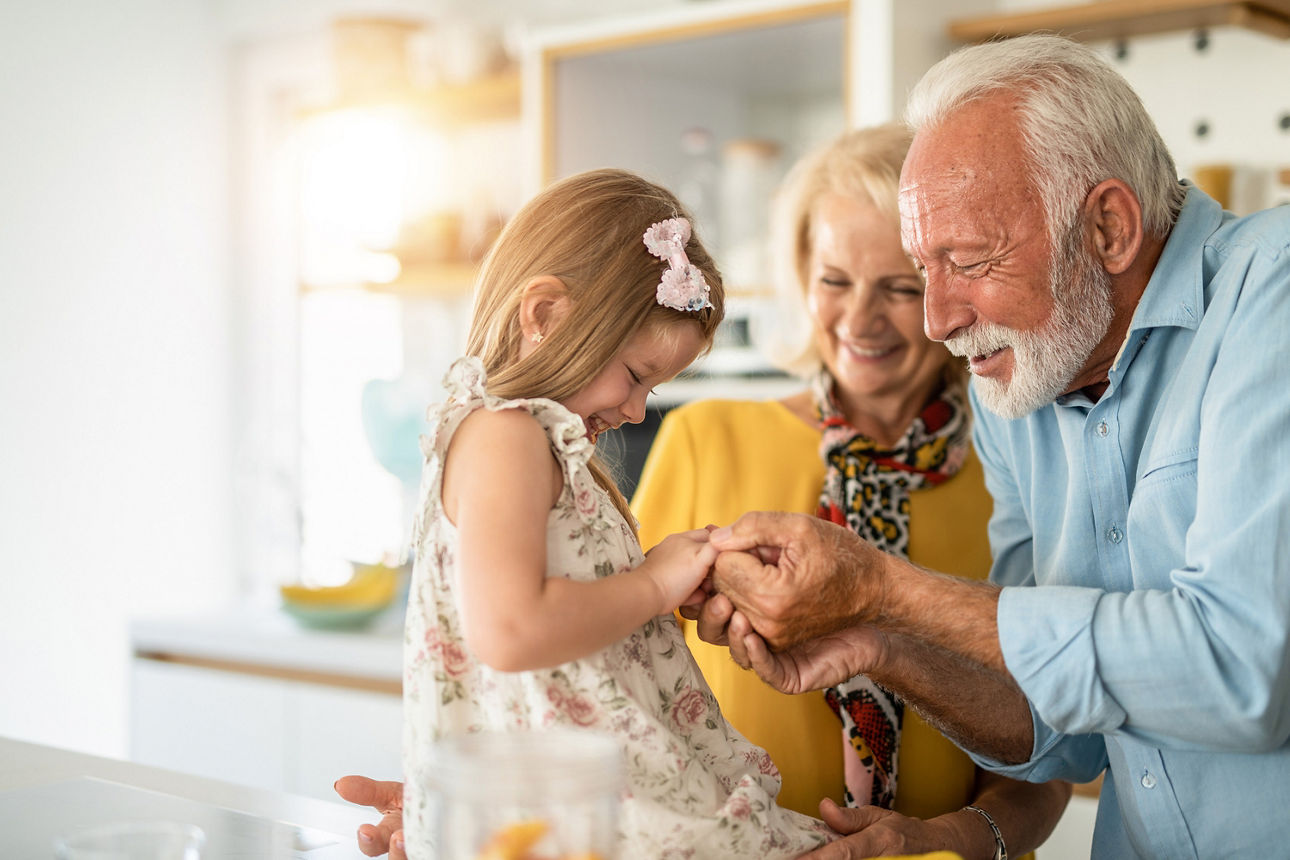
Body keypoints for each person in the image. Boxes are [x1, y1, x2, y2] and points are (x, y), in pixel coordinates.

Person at [696, 33, 1290, 860]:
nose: (938, 319)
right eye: (922, 270)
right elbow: (1056, 731)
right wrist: (876, 642)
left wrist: (886, 588)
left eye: (966, 262)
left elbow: (1245, 672)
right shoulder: (1018, 387)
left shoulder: (1274, 292)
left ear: (1109, 227)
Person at [342, 168, 836, 860]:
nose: (637, 410)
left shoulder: (544, 448)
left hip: (555, 807)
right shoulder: (503, 435)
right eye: (636, 376)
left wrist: (665, 589)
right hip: (568, 805)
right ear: (543, 316)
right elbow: (512, 631)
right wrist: (655, 584)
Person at [633, 125, 1069, 859]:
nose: (861, 321)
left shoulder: (1021, 475)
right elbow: (608, 683)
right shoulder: (706, 441)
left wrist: (946, 841)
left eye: (900, 288)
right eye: (835, 280)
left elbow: (1055, 755)